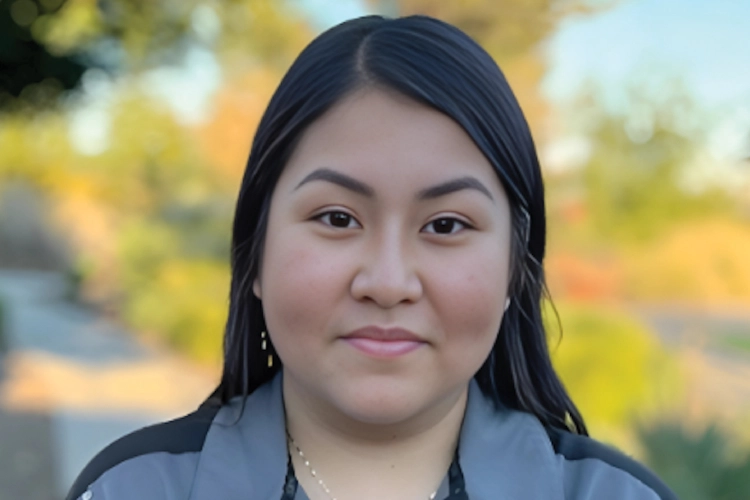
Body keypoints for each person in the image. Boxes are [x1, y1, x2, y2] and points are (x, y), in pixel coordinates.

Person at [66, 15, 678, 500]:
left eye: (445, 224)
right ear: (254, 254)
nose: (387, 283)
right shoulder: (134, 489)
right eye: (337, 219)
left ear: (517, 265)